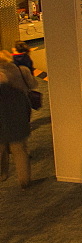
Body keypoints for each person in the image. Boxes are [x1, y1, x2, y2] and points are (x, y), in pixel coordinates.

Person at [0, 50, 36, 189]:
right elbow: (32, 87)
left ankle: (2, 174)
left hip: (2, 125)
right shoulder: (21, 73)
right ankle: (24, 180)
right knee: (20, 151)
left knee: (1, 150)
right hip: (17, 122)